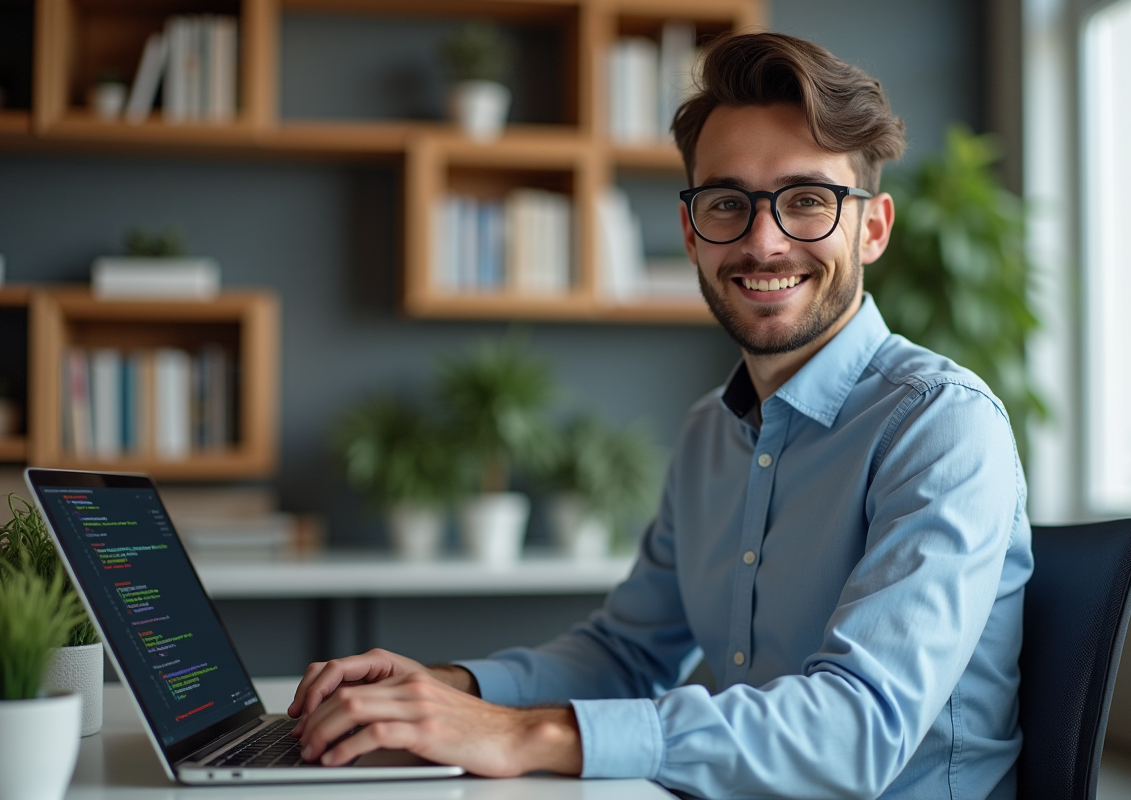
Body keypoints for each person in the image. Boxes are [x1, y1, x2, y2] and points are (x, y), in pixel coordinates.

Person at [288, 32, 1032, 800]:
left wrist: (525, 734)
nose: (763, 241)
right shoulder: (711, 429)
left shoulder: (942, 425)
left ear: (872, 228)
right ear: (690, 233)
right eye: (726, 204)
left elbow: (856, 731)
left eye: (807, 200)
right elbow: (628, 655)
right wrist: (453, 692)